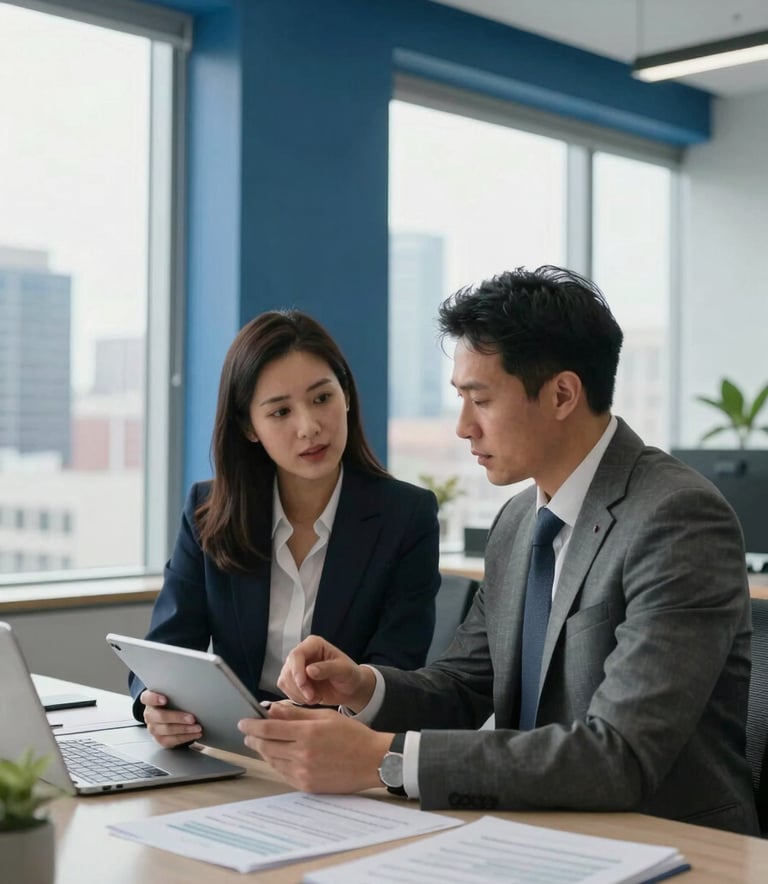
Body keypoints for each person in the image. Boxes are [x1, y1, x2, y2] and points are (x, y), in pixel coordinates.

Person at [238, 266, 760, 836]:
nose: (463, 428)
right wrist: (364, 686)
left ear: (562, 394)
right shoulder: (518, 522)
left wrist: (379, 758)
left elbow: (620, 755)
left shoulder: (677, 518)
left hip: (669, 843)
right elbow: (464, 686)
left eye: (479, 400)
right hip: (529, 832)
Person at [130, 309, 440, 747]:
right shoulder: (208, 510)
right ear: (248, 427)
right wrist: (155, 704)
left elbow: (398, 671)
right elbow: (165, 650)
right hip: (236, 749)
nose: (309, 427)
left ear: (346, 395)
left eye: (321, 398)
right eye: (280, 412)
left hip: (343, 750)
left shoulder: (407, 516)